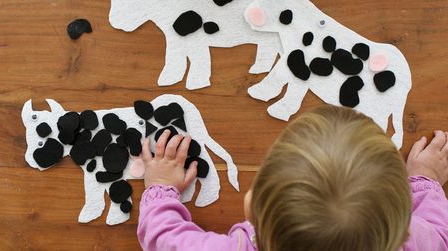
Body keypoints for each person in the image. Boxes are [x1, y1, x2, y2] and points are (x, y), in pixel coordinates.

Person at [137, 105, 448, 251]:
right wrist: (426, 178)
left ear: (252, 210)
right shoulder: (413, 240)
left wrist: (161, 188)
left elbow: (164, 239)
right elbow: (440, 233)